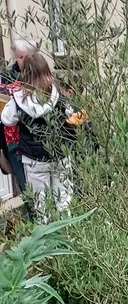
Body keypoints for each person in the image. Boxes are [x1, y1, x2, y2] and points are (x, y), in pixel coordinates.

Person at [0, 52, 74, 214]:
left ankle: (46, 238)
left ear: (25, 73)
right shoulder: (59, 93)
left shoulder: (18, 99)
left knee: (41, 206)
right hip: (60, 154)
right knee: (64, 201)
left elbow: (7, 120)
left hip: (34, 159)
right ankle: (69, 237)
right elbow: (70, 114)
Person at [0, 38, 39, 194]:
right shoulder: (7, 78)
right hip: (15, 144)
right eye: (20, 57)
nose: (22, 61)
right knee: (27, 189)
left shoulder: (43, 76)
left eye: (25, 57)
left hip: (40, 144)